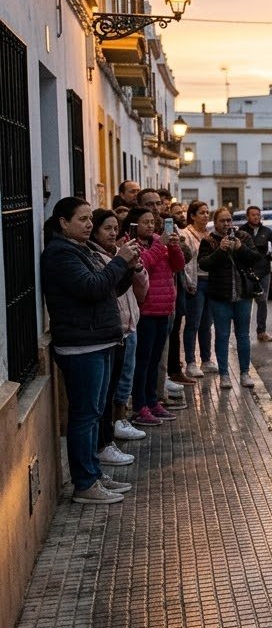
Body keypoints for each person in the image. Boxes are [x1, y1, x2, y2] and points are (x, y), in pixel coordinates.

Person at [42, 199, 141, 504]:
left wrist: (127, 267)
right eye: (82, 219)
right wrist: (119, 262)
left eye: (89, 219)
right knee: (85, 416)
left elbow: (109, 289)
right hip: (81, 346)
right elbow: (91, 288)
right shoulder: (60, 254)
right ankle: (85, 483)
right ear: (62, 222)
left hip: (98, 341)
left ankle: (94, 474)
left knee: (95, 413)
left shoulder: (80, 249)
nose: (88, 224)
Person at [91, 209, 149, 466]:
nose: (113, 233)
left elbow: (138, 289)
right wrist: (121, 263)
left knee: (121, 381)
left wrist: (135, 268)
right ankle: (105, 440)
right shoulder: (94, 257)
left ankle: (112, 433)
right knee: (103, 397)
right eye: (107, 228)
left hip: (127, 325)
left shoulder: (118, 255)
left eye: (116, 228)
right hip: (110, 330)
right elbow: (106, 289)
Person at [130, 201, 185, 427]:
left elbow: (177, 265)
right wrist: (161, 245)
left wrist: (174, 247)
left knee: (154, 360)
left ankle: (153, 401)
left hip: (164, 309)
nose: (150, 226)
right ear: (135, 224)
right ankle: (139, 405)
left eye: (152, 222)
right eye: (145, 222)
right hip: (146, 311)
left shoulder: (157, 242)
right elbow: (144, 264)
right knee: (142, 361)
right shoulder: (132, 245)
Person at [201, 207, 262, 390]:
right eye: (222, 221)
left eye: (229, 220)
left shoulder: (243, 237)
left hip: (243, 295)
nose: (226, 224)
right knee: (222, 335)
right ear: (215, 222)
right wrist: (220, 251)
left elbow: (255, 258)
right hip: (220, 296)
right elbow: (204, 264)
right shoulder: (209, 240)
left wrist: (240, 248)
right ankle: (224, 375)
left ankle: (244, 373)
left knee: (243, 335)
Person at [178, 200, 213, 380]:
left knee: (207, 324)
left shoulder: (210, 235)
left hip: (210, 282)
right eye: (201, 212)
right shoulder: (185, 234)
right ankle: (191, 361)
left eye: (207, 212)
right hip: (195, 282)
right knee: (193, 322)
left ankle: (206, 359)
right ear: (192, 216)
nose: (206, 215)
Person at [239, 205, 272, 342]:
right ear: (247, 216)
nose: (256, 217)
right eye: (253, 215)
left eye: (258, 215)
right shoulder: (242, 231)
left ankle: (261, 331)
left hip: (263, 271)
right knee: (246, 302)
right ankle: (243, 332)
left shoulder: (267, 232)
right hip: (247, 272)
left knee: (262, 302)